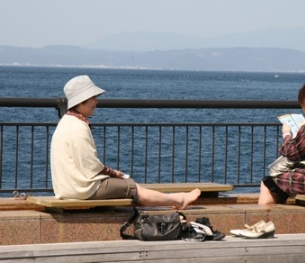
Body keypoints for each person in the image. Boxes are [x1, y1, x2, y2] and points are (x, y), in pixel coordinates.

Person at [50, 75, 201, 210]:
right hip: (83, 189)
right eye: (93, 98)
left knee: (126, 185)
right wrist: (113, 173)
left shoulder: (65, 123)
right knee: (131, 186)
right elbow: (90, 165)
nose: (96, 102)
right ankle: (179, 200)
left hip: (66, 188)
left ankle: (178, 198)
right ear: (82, 101)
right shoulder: (78, 127)